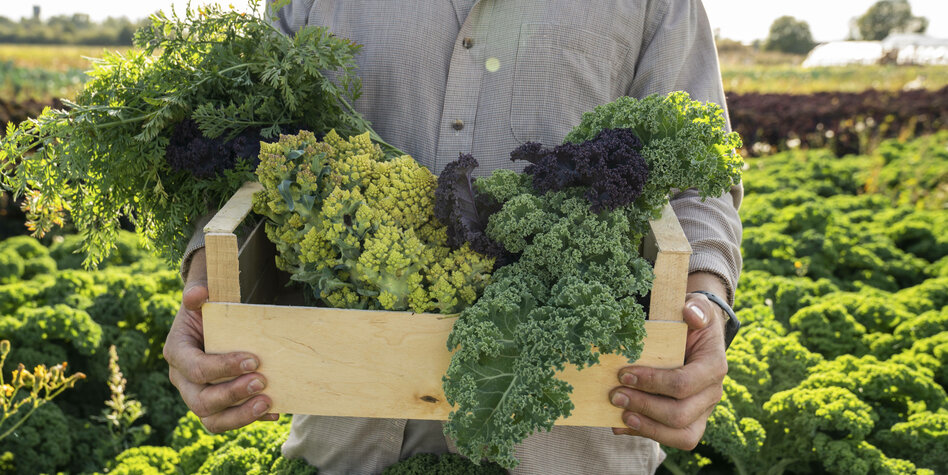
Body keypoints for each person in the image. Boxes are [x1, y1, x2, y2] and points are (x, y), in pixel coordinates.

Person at [163, 0, 742, 473]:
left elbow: (697, 179)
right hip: (347, 445)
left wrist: (706, 304)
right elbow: (242, 151)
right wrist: (207, 284)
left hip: (575, 445)